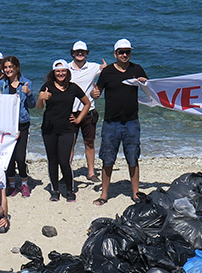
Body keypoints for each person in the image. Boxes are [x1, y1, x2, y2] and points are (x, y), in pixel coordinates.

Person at [92, 39, 148, 205]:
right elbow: (98, 92)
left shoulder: (137, 69)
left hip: (131, 122)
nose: (125, 55)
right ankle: (104, 194)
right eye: (121, 52)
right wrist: (95, 94)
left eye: (127, 52)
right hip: (111, 123)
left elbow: (150, 89)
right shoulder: (108, 72)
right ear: (115, 54)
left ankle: (136, 193)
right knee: (107, 159)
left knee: (133, 158)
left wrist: (145, 83)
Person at [37, 60, 89, 202]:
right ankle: (55, 191)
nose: (60, 73)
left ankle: (70, 191)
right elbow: (39, 107)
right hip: (49, 129)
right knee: (52, 161)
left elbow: (87, 103)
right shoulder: (47, 87)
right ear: (53, 73)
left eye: (63, 71)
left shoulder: (73, 87)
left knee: (64, 161)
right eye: (58, 71)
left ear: (67, 72)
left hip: (67, 129)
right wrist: (41, 98)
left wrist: (78, 119)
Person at [0, 56, 35, 197]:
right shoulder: (1, 84)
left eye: (10, 67)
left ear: (16, 68)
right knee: (10, 156)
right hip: (7, 125)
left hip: (22, 123)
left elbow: (32, 105)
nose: (8, 70)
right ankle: (12, 184)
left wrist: (29, 94)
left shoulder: (26, 83)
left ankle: (24, 183)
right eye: (5, 67)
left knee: (20, 156)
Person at [68, 41, 103, 181]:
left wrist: (99, 89)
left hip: (88, 111)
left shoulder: (94, 67)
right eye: (77, 51)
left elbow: (109, 74)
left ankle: (91, 172)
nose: (80, 53)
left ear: (87, 53)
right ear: (72, 53)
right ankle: (68, 172)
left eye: (83, 51)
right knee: (70, 143)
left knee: (89, 142)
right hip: (70, 111)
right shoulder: (66, 68)